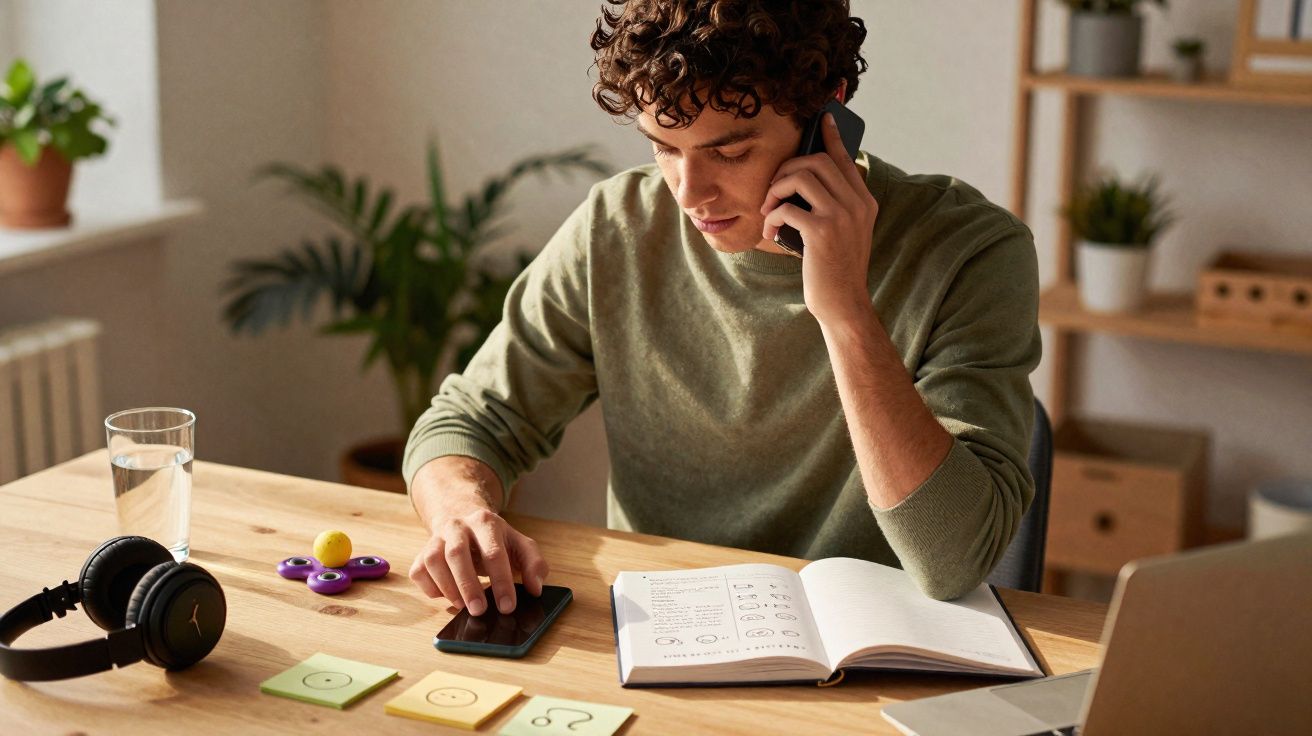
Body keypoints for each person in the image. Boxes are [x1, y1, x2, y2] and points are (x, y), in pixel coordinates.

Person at [404, 0, 1041, 616]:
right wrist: (462, 509)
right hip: (664, 636)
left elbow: (955, 560)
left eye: (730, 153)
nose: (690, 193)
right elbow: (471, 419)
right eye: (664, 147)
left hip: (873, 662)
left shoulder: (970, 252)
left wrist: (846, 312)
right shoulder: (617, 227)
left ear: (830, 113)